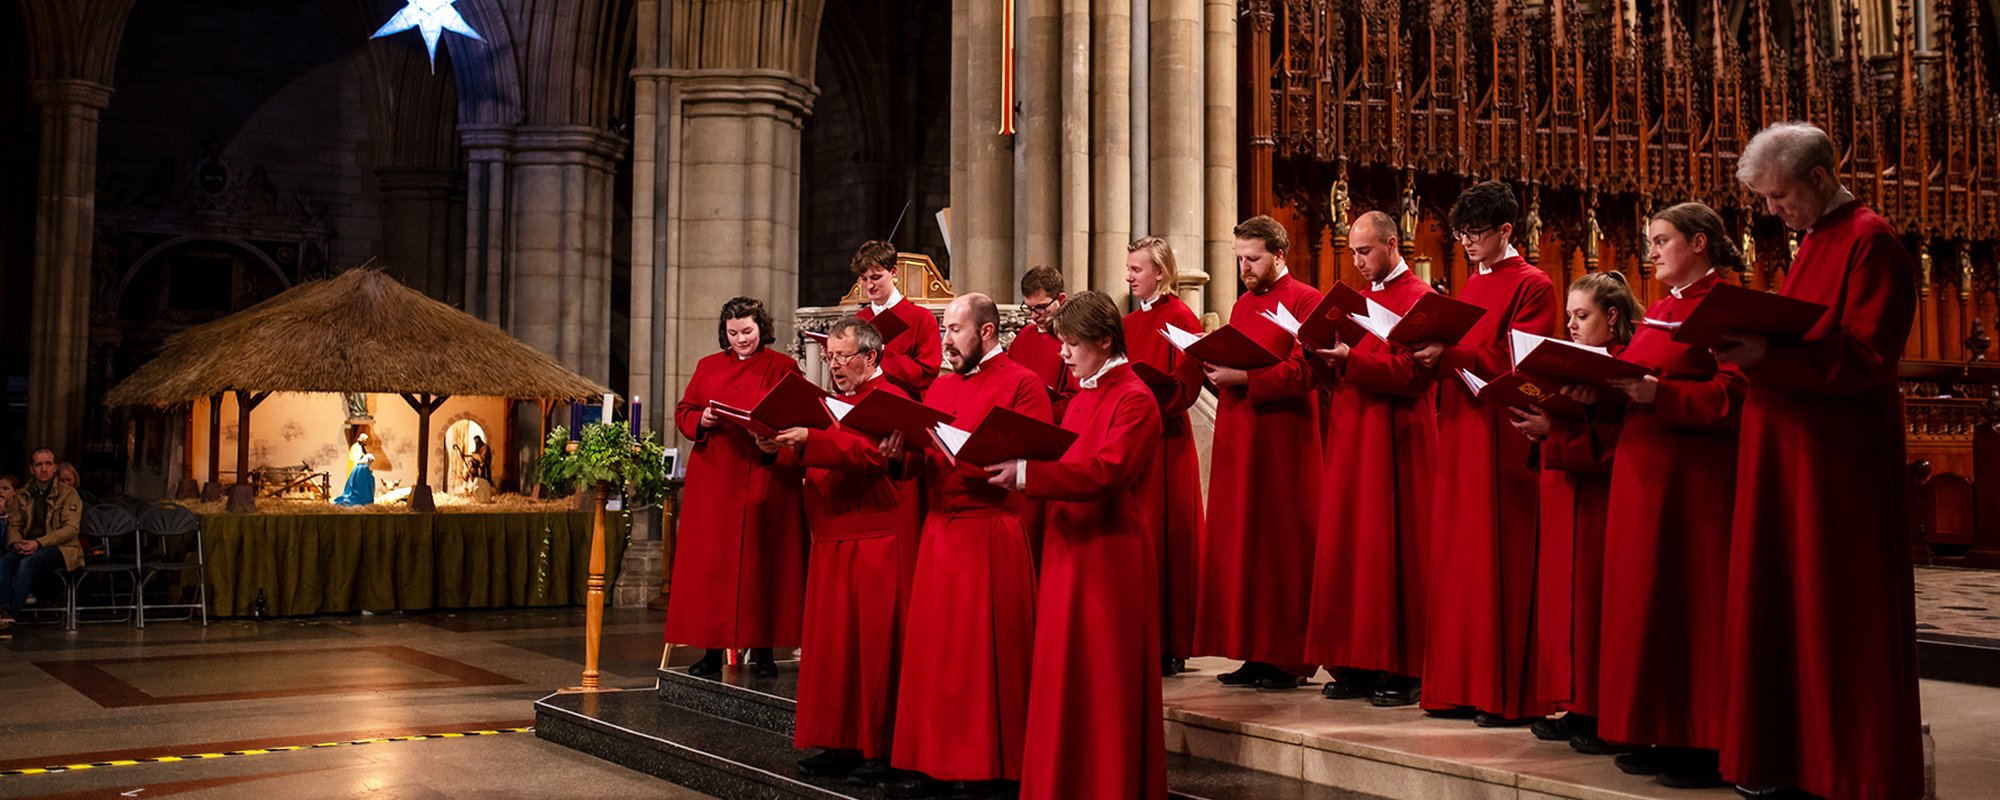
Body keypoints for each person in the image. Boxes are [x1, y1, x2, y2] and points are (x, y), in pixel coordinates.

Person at [1716, 122, 1921, 800]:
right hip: (1790, 450)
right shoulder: (1816, 240)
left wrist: (1766, 358)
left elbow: (1865, 356)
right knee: (1788, 602)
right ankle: (1791, 758)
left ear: (1819, 178)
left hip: (1837, 464)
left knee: (1836, 609)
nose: (1771, 212)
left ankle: (1848, 768)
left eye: (1778, 198)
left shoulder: (1872, 241)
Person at [1586, 203, 1747, 786]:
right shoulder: (1659, 309)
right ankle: (1657, 727)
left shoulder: (1727, 306)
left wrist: (1663, 396)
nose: (1650, 252)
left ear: (1699, 244)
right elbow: (1628, 375)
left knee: (1691, 607)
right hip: (1641, 476)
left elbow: (1736, 395)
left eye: (1661, 241)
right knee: (1644, 605)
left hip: (1693, 484)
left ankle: (1703, 740)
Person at [989, 291, 1167, 799]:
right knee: (1065, 678)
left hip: (1109, 557)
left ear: (1104, 340)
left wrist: (1028, 474)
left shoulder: (1133, 397)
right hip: (1070, 549)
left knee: (1103, 681)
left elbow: (1106, 473)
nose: (1062, 354)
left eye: (1070, 344)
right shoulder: (1085, 395)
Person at [882, 293, 1051, 798]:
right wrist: (897, 455)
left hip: (990, 531)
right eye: (944, 331)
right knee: (938, 657)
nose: (946, 342)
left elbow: (1034, 459)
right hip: (941, 531)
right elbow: (921, 463)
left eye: (955, 331)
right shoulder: (940, 384)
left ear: (988, 333)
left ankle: (989, 765)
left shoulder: (1023, 384)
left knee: (981, 660)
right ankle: (935, 760)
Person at [1411, 180, 1559, 726]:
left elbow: (1525, 357)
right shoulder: (1471, 284)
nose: (1466, 242)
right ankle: (1457, 686)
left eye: (1476, 233)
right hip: (1461, 429)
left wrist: (1449, 355)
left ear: (1506, 230)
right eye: (1460, 233)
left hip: (1503, 431)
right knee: (1460, 562)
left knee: (1500, 559)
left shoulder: (1534, 284)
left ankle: (1503, 694)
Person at [764, 317, 920, 785]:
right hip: (830, 531)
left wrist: (811, 441)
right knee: (834, 650)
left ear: (871, 357)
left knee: (872, 650)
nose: (833, 366)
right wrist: (776, 447)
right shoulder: (832, 401)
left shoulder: (892, 397)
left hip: (873, 534)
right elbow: (815, 449)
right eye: (829, 357)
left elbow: (873, 455)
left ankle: (879, 747)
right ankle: (838, 741)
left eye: (843, 357)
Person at [1304, 211, 1437, 707]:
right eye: (1353, 253)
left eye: (1366, 251)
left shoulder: (1420, 299)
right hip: (1352, 430)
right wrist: (1321, 356)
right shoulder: (1358, 302)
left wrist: (1352, 360)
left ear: (1392, 244)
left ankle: (1403, 666)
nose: (1357, 262)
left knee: (1393, 546)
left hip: (1398, 437)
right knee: (1352, 546)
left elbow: (1416, 375)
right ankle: (1355, 660)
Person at [1194, 215, 1326, 690]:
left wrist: (1246, 379)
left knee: (1280, 547)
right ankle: (1252, 651)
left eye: (1253, 259)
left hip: (1283, 441)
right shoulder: (1241, 303)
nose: (1245, 268)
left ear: (1279, 256)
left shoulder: (1305, 300)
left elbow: (1307, 371)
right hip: (1240, 436)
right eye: (1240, 260)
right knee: (1243, 548)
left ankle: (1287, 657)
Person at [1508, 271, 1639, 748]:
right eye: (1568, 317)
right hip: (1564, 488)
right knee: (1565, 601)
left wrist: (1558, 429)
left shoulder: (1630, 365)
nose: (1571, 326)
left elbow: (1630, 442)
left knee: (1595, 604)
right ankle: (1576, 703)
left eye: (1582, 316)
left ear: (1612, 316)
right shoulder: (1583, 362)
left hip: (1604, 500)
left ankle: (1600, 709)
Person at [668, 297, 810, 679]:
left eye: (747, 331)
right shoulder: (707, 366)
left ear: (761, 328)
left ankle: (764, 654)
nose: (741, 340)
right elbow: (684, 412)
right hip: (715, 478)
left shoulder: (784, 367)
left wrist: (773, 439)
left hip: (765, 474)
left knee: (763, 566)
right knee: (713, 567)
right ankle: (711, 653)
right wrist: (705, 417)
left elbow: (800, 414)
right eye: (733, 334)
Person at [1123, 236, 1206, 677]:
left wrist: (1154, 399)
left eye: (1138, 269)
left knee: (1166, 538)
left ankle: (1171, 643)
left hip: (1166, 440)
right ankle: (1141, 634)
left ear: (1161, 272)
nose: (1130, 276)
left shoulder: (1182, 318)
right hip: (1133, 439)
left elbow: (1187, 383)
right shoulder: (1126, 322)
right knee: (1140, 538)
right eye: (1129, 268)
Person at [0, 450, 83, 631]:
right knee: (5, 561)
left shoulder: (68, 494)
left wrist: (39, 543)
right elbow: (14, 524)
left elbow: (70, 529)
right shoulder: (23, 494)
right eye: (39, 465)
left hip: (60, 548)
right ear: (32, 469)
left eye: (48, 464)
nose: (44, 469)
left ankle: (10, 619)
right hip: (28, 545)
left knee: (27, 564)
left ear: (54, 467)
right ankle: (3, 611)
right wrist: (16, 542)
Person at [853, 240, 944, 399]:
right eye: (864, 278)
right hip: (862, 403)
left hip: (906, 405)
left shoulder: (921, 318)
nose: (869, 286)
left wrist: (883, 354)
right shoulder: (859, 320)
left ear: (893, 271)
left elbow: (926, 376)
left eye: (876, 277)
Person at [1015, 265, 1078, 421]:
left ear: (1061, 299)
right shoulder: (1024, 336)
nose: (1034, 316)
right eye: (1029, 308)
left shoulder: (1074, 338)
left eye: (1041, 307)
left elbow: (1076, 398)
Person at [334, 434, 376, 506]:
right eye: (365, 440)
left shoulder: (361, 448)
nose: (365, 442)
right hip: (359, 472)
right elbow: (355, 460)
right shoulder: (356, 448)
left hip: (361, 471)